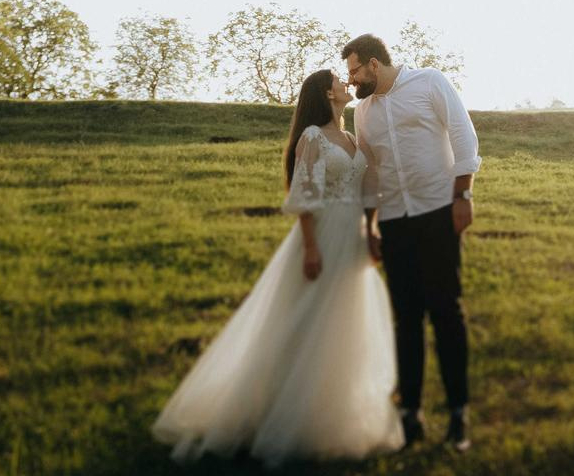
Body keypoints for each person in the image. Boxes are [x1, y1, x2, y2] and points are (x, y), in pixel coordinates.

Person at [152, 69, 403, 467]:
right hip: (322, 235)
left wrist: (371, 231)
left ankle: (332, 413)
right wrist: (311, 248)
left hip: (352, 238)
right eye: (338, 80)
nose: (346, 84)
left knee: (343, 322)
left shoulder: (353, 138)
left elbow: (367, 190)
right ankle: (276, 412)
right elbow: (305, 193)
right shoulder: (313, 137)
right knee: (306, 320)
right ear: (326, 93)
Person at [344, 33, 480, 452]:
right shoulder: (362, 112)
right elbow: (370, 171)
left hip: (438, 211)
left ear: (374, 64)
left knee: (446, 311)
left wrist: (463, 195)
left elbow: (464, 137)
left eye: (355, 72)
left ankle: (458, 413)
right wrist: (370, 225)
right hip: (394, 221)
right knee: (406, 319)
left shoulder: (430, 82)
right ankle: (411, 415)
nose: (351, 81)